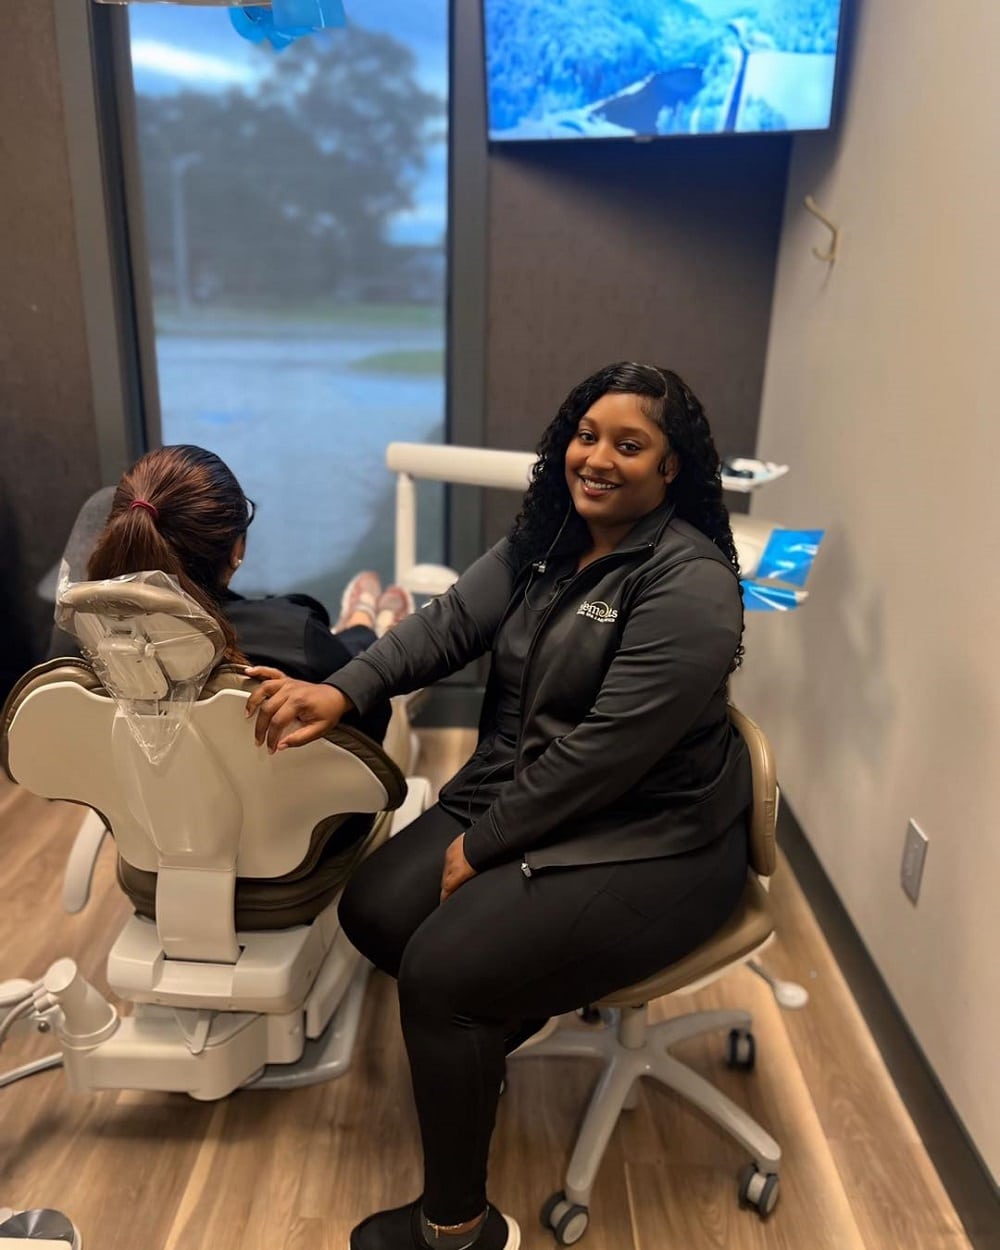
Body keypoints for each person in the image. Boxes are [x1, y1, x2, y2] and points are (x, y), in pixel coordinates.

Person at [245, 363, 753, 1250]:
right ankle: (482, 1043)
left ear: (674, 470)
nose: (595, 458)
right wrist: (342, 690)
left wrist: (484, 844)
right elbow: (444, 625)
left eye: (629, 445)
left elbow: (610, 754)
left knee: (440, 974)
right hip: (529, 789)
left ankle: (461, 1228)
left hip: (650, 835)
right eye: (586, 435)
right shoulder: (550, 538)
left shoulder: (691, 582)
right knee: (374, 912)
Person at [55, 443, 412, 743]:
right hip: (310, 824)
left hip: (147, 820)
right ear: (236, 549)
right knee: (352, 654)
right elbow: (371, 721)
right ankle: (366, 623)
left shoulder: (92, 644)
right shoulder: (290, 635)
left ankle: (362, 621)